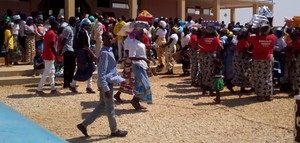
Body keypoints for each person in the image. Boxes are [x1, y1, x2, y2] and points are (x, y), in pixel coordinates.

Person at [76, 31, 128, 138]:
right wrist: (106, 88)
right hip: (106, 84)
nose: (110, 40)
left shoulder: (108, 50)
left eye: (111, 38)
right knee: (110, 108)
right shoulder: (104, 52)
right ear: (103, 39)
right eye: (108, 38)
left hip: (107, 82)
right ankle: (114, 130)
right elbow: (102, 72)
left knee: (102, 105)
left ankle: (84, 125)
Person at [248, 23, 276, 101]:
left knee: (259, 77)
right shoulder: (272, 38)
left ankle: (261, 95)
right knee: (268, 76)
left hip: (257, 59)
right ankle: (269, 95)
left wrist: (253, 29)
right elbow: (272, 33)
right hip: (267, 58)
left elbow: (249, 35)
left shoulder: (255, 38)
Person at [69, 18, 96, 94]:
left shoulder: (85, 32)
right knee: (83, 68)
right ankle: (76, 85)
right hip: (83, 53)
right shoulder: (82, 32)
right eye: (89, 25)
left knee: (89, 68)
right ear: (85, 25)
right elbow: (84, 45)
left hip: (85, 52)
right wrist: (92, 54)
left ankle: (87, 86)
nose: (90, 26)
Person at [129, 29, 153, 106]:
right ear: (138, 35)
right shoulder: (133, 44)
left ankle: (135, 101)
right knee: (145, 84)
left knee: (139, 85)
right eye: (142, 34)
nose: (144, 36)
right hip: (137, 66)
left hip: (143, 65)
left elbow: (142, 54)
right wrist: (143, 59)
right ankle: (137, 100)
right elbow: (131, 57)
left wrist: (147, 58)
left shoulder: (140, 43)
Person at [35, 21, 59, 96]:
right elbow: (52, 46)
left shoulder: (48, 32)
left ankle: (53, 88)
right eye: (57, 25)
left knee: (52, 72)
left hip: (47, 54)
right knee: (46, 72)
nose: (58, 27)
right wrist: (57, 56)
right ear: (54, 25)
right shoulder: (52, 33)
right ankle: (39, 89)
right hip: (49, 55)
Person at [60, 17, 77, 88]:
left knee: (69, 67)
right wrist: (61, 49)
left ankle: (67, 82)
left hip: (69, 49)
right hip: (68, 49)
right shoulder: (68, 29)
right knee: (70, 67)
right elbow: (64, 40)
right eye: (75, 22)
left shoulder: (69, 29)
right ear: (73, 22)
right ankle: (68, 82)